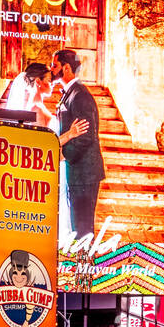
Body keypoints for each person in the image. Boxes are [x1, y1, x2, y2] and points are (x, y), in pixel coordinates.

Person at [51, 49, 104, 239]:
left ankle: (84, 265)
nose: (51, 69)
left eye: (55, 65)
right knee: (77, 222)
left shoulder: (80, 95)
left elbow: (85, 136)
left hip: (85, 173)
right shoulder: (69, 93)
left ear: (66, 68)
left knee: (82, 226)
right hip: (77, 171)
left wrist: (63, 155)